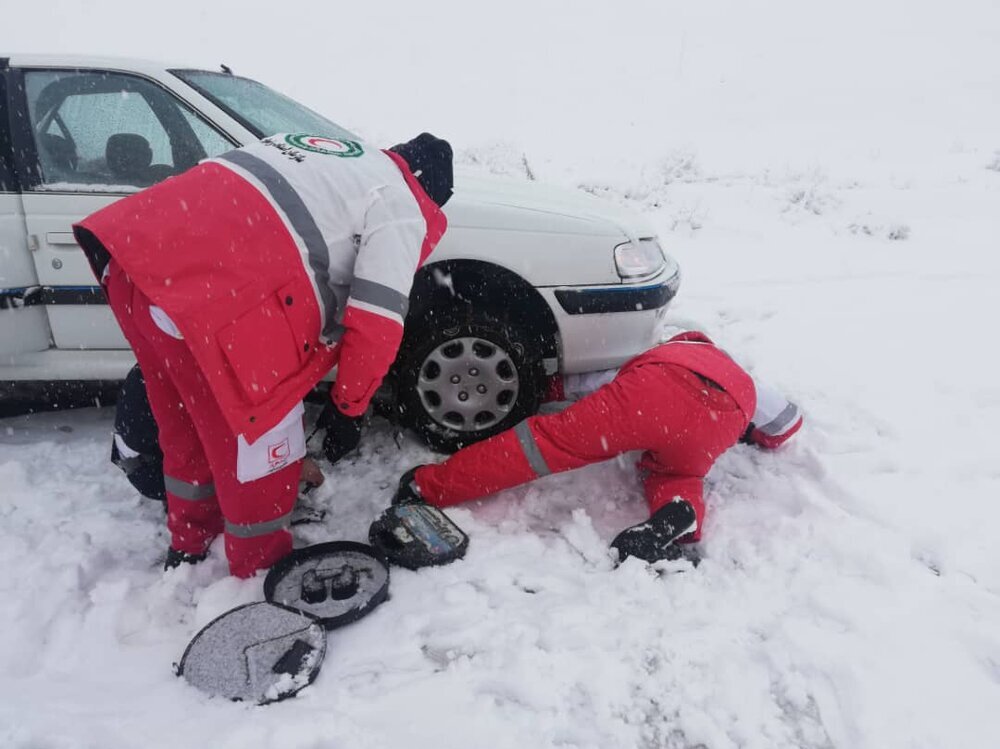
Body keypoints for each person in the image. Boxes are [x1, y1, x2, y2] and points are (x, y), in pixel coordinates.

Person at [74, 132, 453, 577]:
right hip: (217, 307)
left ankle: (189, 542)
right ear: (430, 193)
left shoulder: (321, 150)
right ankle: (256, 573)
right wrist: (349, 409)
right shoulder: (400, 207)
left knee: (183, 423)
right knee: (261, 452)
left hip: (135, 268)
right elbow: (376, 324)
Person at [391, 329, 802, 563]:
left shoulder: (665, 353)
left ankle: (431, 487)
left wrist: (544, 387)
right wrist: (755, 434)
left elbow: (584, 383)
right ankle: (680, 514)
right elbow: (786, 425)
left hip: (647, 397)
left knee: (545, 444)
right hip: (721, 418)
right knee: (678, 473)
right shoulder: (745, 376)